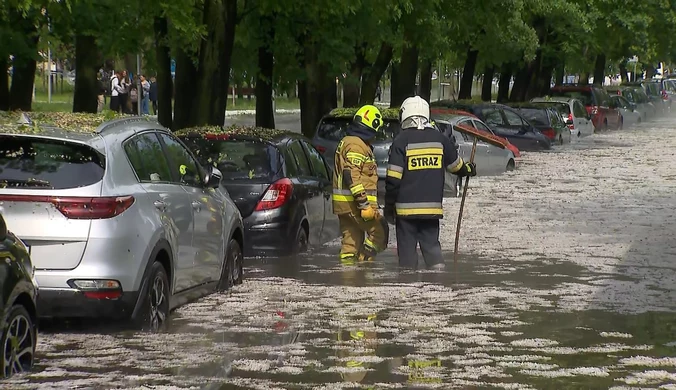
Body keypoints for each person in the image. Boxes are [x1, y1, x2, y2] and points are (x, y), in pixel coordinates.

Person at [384, 96, 476, 270]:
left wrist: (389, 207)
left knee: (407, 258)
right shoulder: (440, 139)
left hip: (405, 213)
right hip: (432, 211)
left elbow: (393, 179)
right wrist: (469, 169)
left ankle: (407, 287)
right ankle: (438, 284)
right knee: (433, 251)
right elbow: (456, 167)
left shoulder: (401, 141)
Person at [332, 105, 389, 264]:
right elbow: (351, 176)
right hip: (356, 205)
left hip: (344, 206)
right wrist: (364, 205)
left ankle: (348, 277)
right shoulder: (357, 145)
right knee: (380, 233)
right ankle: (364, 266)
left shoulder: (348, 141)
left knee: (351, 242)